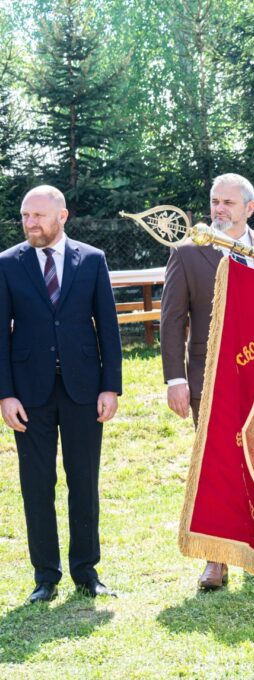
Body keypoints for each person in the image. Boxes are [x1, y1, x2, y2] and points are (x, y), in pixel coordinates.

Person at [160, 173, 254, 590]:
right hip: (209, 376)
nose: (219, 209)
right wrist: (175, 378)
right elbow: (171, 319)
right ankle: (216, 559)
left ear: (249, 208)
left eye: (228, 203)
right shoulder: (187, 252)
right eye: (215, 201)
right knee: (218, 467)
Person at [0, 185, 122, 603]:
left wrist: (110, 386)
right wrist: (5, 394)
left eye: (39, 216)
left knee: (83, 481)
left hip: (84, 390)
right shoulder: (7, 264)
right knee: (37, 484)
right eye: (25, 216)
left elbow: (108, 326)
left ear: (62, 216)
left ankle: (86, 572)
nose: (30, 223)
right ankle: (45, 576)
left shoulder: (91, 259)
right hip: (28, 393)